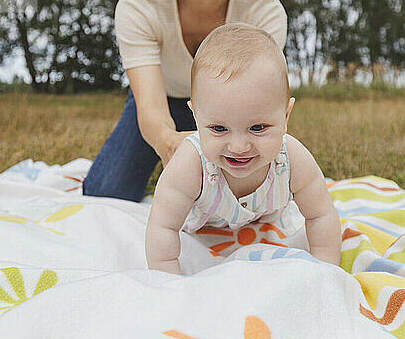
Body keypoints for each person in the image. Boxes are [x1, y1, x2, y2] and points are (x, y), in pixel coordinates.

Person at [83, 0, 287, 202]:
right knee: (106, 191)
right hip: (163, 98)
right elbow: (150, 107)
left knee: (252, 194)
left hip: (234, 113)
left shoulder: (264, 10)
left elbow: (259, 107)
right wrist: (170, 145)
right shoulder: (141, 1)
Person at [145, 23, 342, 274]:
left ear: (286, 116)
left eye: (258, 128)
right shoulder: (191, 163)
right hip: (203, 232)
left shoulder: (292, 158)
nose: (238, 147)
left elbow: (321, 215)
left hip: (265, 225)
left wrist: (327, 271)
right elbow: (162, 226)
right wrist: (166, 278)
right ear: (196, 118)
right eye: (218, 129)